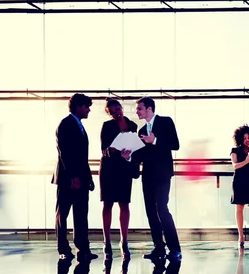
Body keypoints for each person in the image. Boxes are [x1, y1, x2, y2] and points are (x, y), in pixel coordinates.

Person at [132, 97, 182, 263]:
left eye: (139, 108)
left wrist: (154, 141)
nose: (137, 112)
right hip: (148, 175)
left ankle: (174, 248)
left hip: (162, 174)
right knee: (151, 212)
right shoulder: (141, 130)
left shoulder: (165, 122)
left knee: (162, 208)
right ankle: (158, 247)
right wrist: (129, 155)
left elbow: (175, 144)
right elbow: (142, 154)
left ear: (149, 109)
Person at [53, 93, 98, 263]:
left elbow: (81, 156)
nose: (89, 110)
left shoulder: (78, 125)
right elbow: (65, 153)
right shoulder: (65, 124)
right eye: (87, 107)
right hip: (68, 179)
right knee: (62, 214)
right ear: (78, 107)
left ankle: (83, 248)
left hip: (80, 178)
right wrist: (74, 176)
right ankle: (63, 249)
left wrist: (88, 178)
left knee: (81, 214)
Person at [99, 99, 138, 265]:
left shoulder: (133, 126)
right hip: (109, 168)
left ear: (122, 108)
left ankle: (124, 242)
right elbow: (104, 149)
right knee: (107, 204)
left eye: (117, 109)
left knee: (124, 204)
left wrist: (130, 153)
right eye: (112, 112)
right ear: (109, 114)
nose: (116, 113)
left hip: (124, 169)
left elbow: (137, 147)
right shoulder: (106, 126)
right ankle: (107, 242)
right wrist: (112, 150)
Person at [230, 125, 249, 249]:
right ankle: (241, 235)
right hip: (239, 181)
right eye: (244, 138)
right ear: (240, 139)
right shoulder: (234, 150)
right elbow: (235, 165)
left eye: (248, 137)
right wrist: (247, 161)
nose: (247, 140)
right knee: (239, 207)